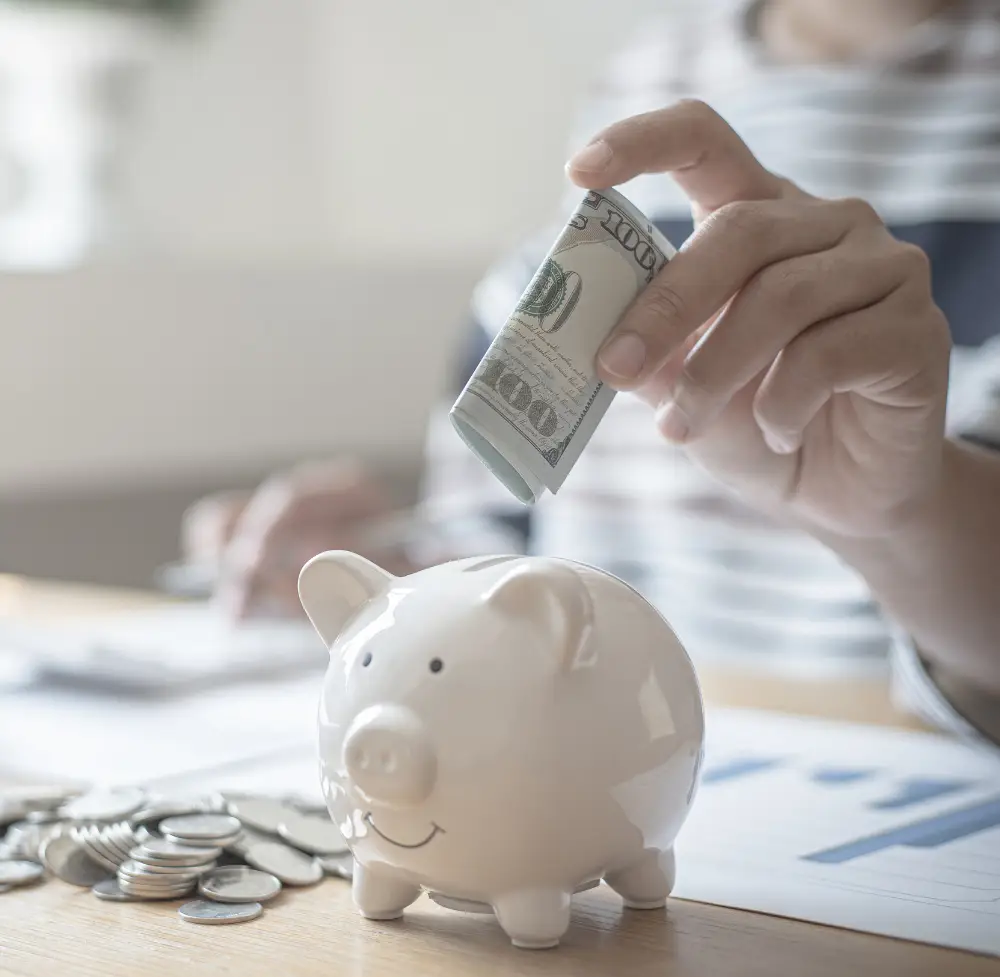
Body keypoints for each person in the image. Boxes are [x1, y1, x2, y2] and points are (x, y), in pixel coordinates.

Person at [183, 0, 1000, 746]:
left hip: (902, 794)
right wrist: (398, 570)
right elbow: (515, 536)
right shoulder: (644, 74)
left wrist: (903, 514)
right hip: (591, 782)